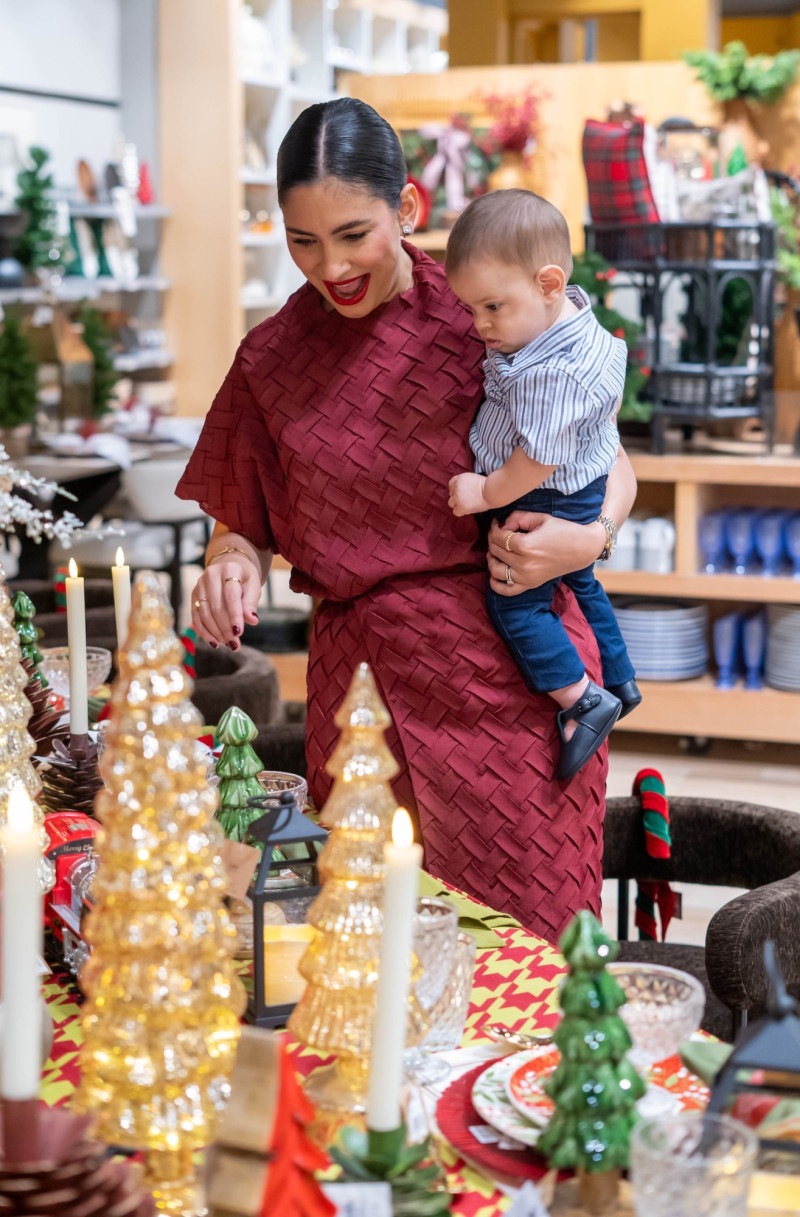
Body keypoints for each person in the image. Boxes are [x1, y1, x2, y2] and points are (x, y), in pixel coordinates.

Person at [176, 98, 638, 942]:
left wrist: (591, 536)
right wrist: (232, 560)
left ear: (408, 209)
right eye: (303, 241)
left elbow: (609, 459)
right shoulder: (269, 358)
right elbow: (238, 517)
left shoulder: (486, 313)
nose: (331, 266)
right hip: (359, 697)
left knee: (535, 954)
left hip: (512, 676)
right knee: (370, 967)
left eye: (354, 233)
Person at [446, 190, 640, 782]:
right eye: (471, 308)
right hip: (588, 482)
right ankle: (622, 676)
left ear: (550, 283)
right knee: (580, 579)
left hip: (543, 494)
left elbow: (537, 460)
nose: (479, 325)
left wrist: (484, 493)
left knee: (516, 603)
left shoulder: (548, 373)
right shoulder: (576, 322)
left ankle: (583, 700)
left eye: (492, 308)